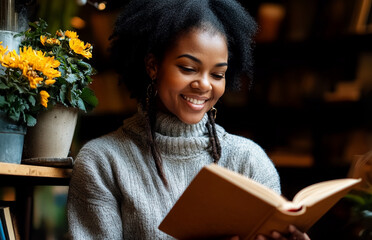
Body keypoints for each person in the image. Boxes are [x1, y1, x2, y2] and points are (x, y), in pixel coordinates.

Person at [67, 0, 311, 239]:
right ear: (153, 65)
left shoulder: (250, 160)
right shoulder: (102, 162)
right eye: (188, 68)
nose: (204, 85)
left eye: (217, 74)